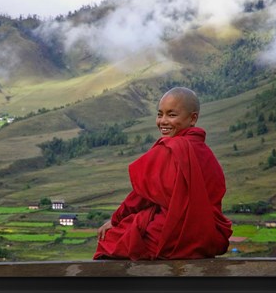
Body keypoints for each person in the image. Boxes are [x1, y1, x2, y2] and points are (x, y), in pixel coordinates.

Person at [93, 87, 232, 260]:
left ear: (193, 118)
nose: (163, 121)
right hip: (208, 238)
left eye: (172, 115)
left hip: (173, 238)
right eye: (160, 114)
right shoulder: (207, 154)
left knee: (109, 240)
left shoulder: (170, 149)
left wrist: (115, 221)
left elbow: (140, 196)